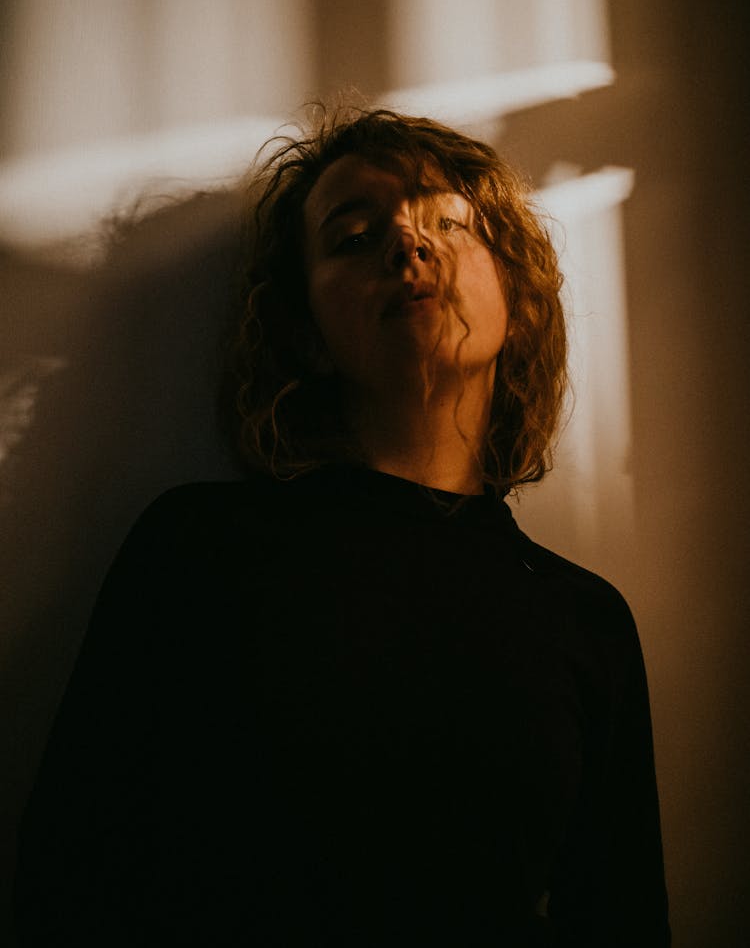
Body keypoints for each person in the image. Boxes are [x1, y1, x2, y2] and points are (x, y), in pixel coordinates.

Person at [13, 108, 671, 946]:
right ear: (307, 336)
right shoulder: (198, 549)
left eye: (449, 222)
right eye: (357, 237)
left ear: (519, 300)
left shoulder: (588, 622)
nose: (409, 246)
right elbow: (69, 873)